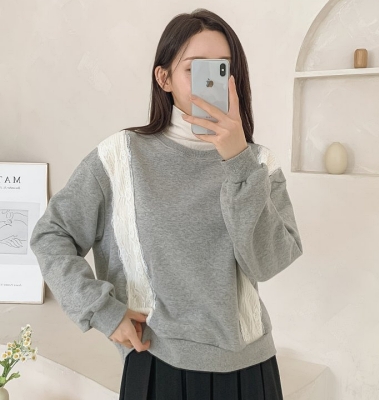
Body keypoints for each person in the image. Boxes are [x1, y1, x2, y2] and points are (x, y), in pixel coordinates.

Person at [30, 8, 303, 400]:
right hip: (156, 363)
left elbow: (268, 262)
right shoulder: (120, 157)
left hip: (249, 368)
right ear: (164, 78)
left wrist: (238, 160)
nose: (212, 81)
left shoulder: (258, 163)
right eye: (195, 69)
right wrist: (102, 311)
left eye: (223, 68)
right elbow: (51, 234)